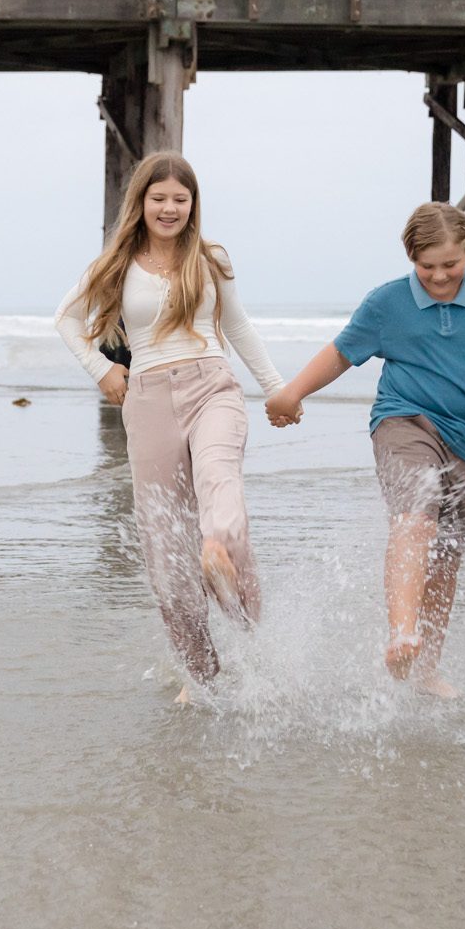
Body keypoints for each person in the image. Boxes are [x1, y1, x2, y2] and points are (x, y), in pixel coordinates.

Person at [266, 203, 465, 697]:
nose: (439, 276)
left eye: (450, 265)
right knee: (416, 515)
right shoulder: (387, 302)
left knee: (446, 557)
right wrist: (292, 392)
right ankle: (402, 632)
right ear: (411, 259)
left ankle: (426, 669)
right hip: (402, 421)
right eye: (426, 267)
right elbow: (341, 353)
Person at [55, 152, 284, 702]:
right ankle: (201, 674)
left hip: (213, 385)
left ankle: (247, 626)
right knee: (166, 548)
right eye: (159, 198)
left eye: (180, 199)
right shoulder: (115, 264)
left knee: (219, 480)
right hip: (148, 398)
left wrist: (277, 389)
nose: (170, 208)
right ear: (141, 201)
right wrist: (103, 369)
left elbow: (238, 326)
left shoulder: (210, 258)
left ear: (192, 205)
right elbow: (65, 319)